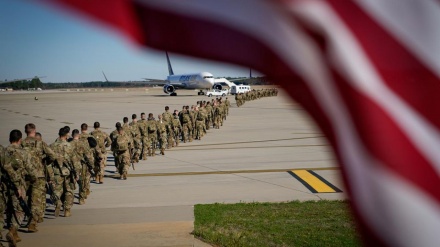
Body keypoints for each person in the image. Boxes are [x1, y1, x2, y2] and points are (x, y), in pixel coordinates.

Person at [21, 123, 59, 232]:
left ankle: (27, 218)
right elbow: (52, 155)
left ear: (25, 131)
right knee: (36, 200)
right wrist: (44, 162)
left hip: (25, 175)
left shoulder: (21, 143)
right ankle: (32, 222)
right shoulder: (40, 143)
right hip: (38, 175)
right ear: (34, 130)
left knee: (26, 198)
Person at [2, 130, 37, 246]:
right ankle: (12, 231)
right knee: (19, 210)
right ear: (20, 140)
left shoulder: (3, 151)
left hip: (3, 185)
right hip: (17, 185)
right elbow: (30, 170)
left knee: (4, 211)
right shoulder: (23, 153)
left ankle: (13, 235)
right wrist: (33, 179)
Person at [50, 127, 76, 218]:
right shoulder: (69, 146)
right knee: (69, 190)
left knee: (57, 190)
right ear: (66, 135)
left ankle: (57, 202)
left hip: (56, 171)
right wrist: (76, 173)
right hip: (68, 171)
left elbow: (48, 160)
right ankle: (67, 210)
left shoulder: (52, 146)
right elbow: (74, 161)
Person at [70, 129, 89, 205]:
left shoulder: (69, 144)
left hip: (71, 166)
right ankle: (81, 199)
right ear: (78, 135)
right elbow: (88, 155)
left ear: (72, 135)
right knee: (82, 183)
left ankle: (69, 200)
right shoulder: (83, 144)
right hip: (81, 166)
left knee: (71, 183)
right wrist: (90, 165)